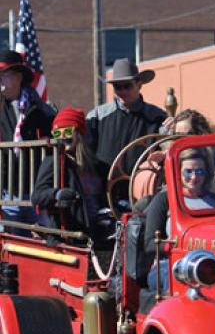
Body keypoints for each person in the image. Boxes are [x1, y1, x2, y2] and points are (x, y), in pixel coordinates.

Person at [144, 147, 215, 294]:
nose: (194, 177)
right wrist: (179, 245)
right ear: (178, 172)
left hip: (209, 263)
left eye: (199, 172)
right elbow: (149, 243)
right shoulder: (164, 200)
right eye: (188, 172)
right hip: (171, 264)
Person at [31, 108, 110, 242]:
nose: (62, 136)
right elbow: (37, 196)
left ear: (79, 133)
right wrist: (56, 194)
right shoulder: (54, 161)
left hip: (98, 234)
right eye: (57, 133)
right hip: (69, 236)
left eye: (67, 131)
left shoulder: (98, 166)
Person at [0, 50, 55, 233]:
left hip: (36, 191)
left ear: (17, 77)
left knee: (39, 244)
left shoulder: (39, 108)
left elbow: (55, 135)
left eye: (3, 75)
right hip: (6, 191)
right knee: (11, 243)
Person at [85, 58, 166, 175]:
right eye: (117, 87)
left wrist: (173, 127)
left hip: (143, 188)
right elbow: (85, 152)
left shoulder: (158, 117)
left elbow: (168, 149)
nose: (122, 91)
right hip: (105, 189)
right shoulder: (97, 117)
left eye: (127, 86)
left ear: (139, 85)